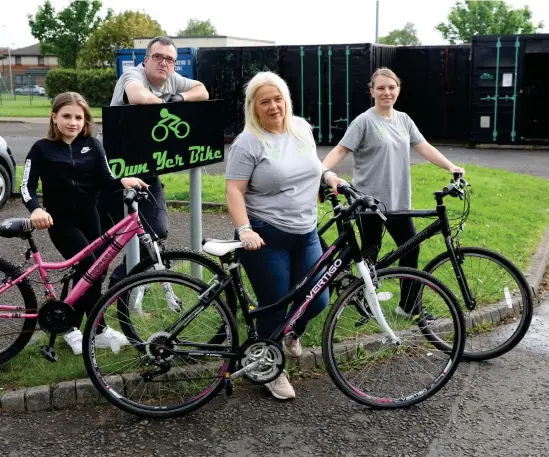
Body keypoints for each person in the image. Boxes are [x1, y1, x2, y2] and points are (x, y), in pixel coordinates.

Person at [321, 67, 465, 318]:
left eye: (391, 87)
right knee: (369, 255)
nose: (386, 92)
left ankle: (407, 306)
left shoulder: (404, 120)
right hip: (369, 202)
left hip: (398, 202)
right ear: (372, 91)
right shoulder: (364, 121)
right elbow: (341, 150)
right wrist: (321, 170)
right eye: (381, 88)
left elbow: (425, 147)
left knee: (410, 249)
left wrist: (450, 166)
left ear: (398, 90)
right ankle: (365, 299)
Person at [225, 71, 329, 401]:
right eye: (265, 101)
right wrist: (245, 230)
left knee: (318, 298)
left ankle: (290, 334)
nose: (273, 106)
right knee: (274, 306)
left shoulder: (301, 129)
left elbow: (313, 165)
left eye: (278, 98)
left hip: (306, 231)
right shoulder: (249, 142)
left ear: (287, 99)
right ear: (253, 107)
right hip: (265, 236)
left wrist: (330, 177)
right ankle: (270, 368)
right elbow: (233, 189)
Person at [20, 92, 148, 355]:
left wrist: (123, 181)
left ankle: (81, 327)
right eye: (67, 116)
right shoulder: (41, 148)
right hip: (61, 222)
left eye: (79, 117)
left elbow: (106, 179)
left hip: (92, 218)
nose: (73, 122)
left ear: (85, 120)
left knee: (97, 270)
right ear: (54, 117)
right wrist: (35, 209)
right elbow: (27, 186)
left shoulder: (92, 144)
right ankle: (84, 329)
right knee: (89, 266)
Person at [97, 35, 209, 286]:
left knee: (155, 230)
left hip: (145, 167)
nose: (164, 63)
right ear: (146, 60)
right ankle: (92, 297)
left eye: (170, 59)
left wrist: (179, 99)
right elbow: (138, 97)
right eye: (158, 57)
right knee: (105, 240)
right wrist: (165, 105)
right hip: (113, 169)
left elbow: (202, 90)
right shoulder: (133, 76)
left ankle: (121, 284)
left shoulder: (172, 79)